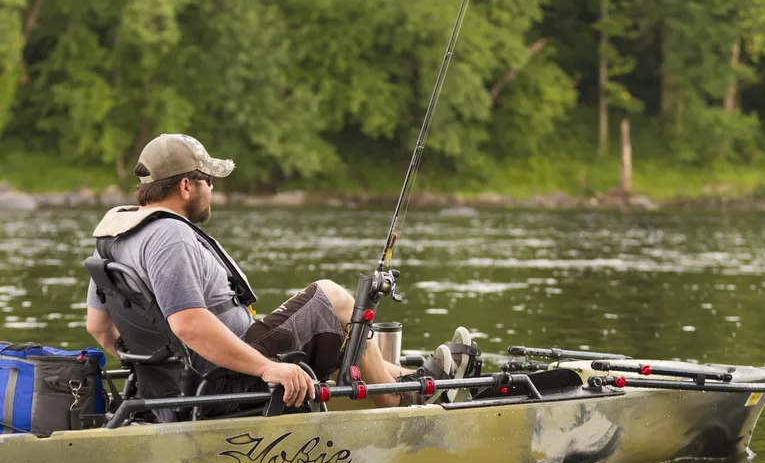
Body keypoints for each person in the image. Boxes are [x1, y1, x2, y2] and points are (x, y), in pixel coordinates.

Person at [85, 134, 477, 411]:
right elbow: (188, 324)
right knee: (333, 297)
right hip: (224, 378)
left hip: (188, 376)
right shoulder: (170, 237)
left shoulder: (116, 236)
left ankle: (422, 377)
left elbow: (99, 328)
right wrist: (268, 367)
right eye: (209, 181)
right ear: (186, 185)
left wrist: (159, 371)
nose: (213, 191)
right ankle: (400, 400)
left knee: (332, 331)